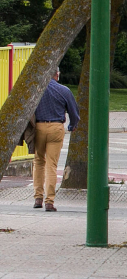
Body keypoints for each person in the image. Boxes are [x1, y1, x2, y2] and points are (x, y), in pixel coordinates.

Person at [33, 67, 80, 212]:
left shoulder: (36, 90)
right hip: (56, 127)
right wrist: (72, 125)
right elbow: (74, 112)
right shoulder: (64, 90)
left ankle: (38, 197)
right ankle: (49, 201)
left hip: (39, 127)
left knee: (39, 161)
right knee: (51, 164)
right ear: (57, 74)